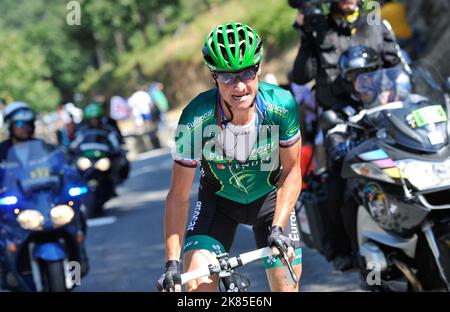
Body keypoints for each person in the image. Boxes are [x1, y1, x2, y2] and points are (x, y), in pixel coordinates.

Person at [158, 22, 303, 292]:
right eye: (227, 77)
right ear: (213, 76)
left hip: (271, 202)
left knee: (285, 285)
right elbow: (178, 196)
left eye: (247, 73)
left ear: (259, 68)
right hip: (219, 204)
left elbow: (292, 172)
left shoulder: (281, 106)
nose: (239, 87)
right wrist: (171, 264)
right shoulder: (195, 118)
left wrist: (279, 227)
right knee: (198, 286)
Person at [291, 0, 402, 271]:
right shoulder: (320, 30)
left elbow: (398, 67)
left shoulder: (376, 23)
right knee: (339, 183)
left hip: (381, 114)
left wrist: (396, 93)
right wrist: (307, 36)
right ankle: (345, 248)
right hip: (339, 122)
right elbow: (301, 77)